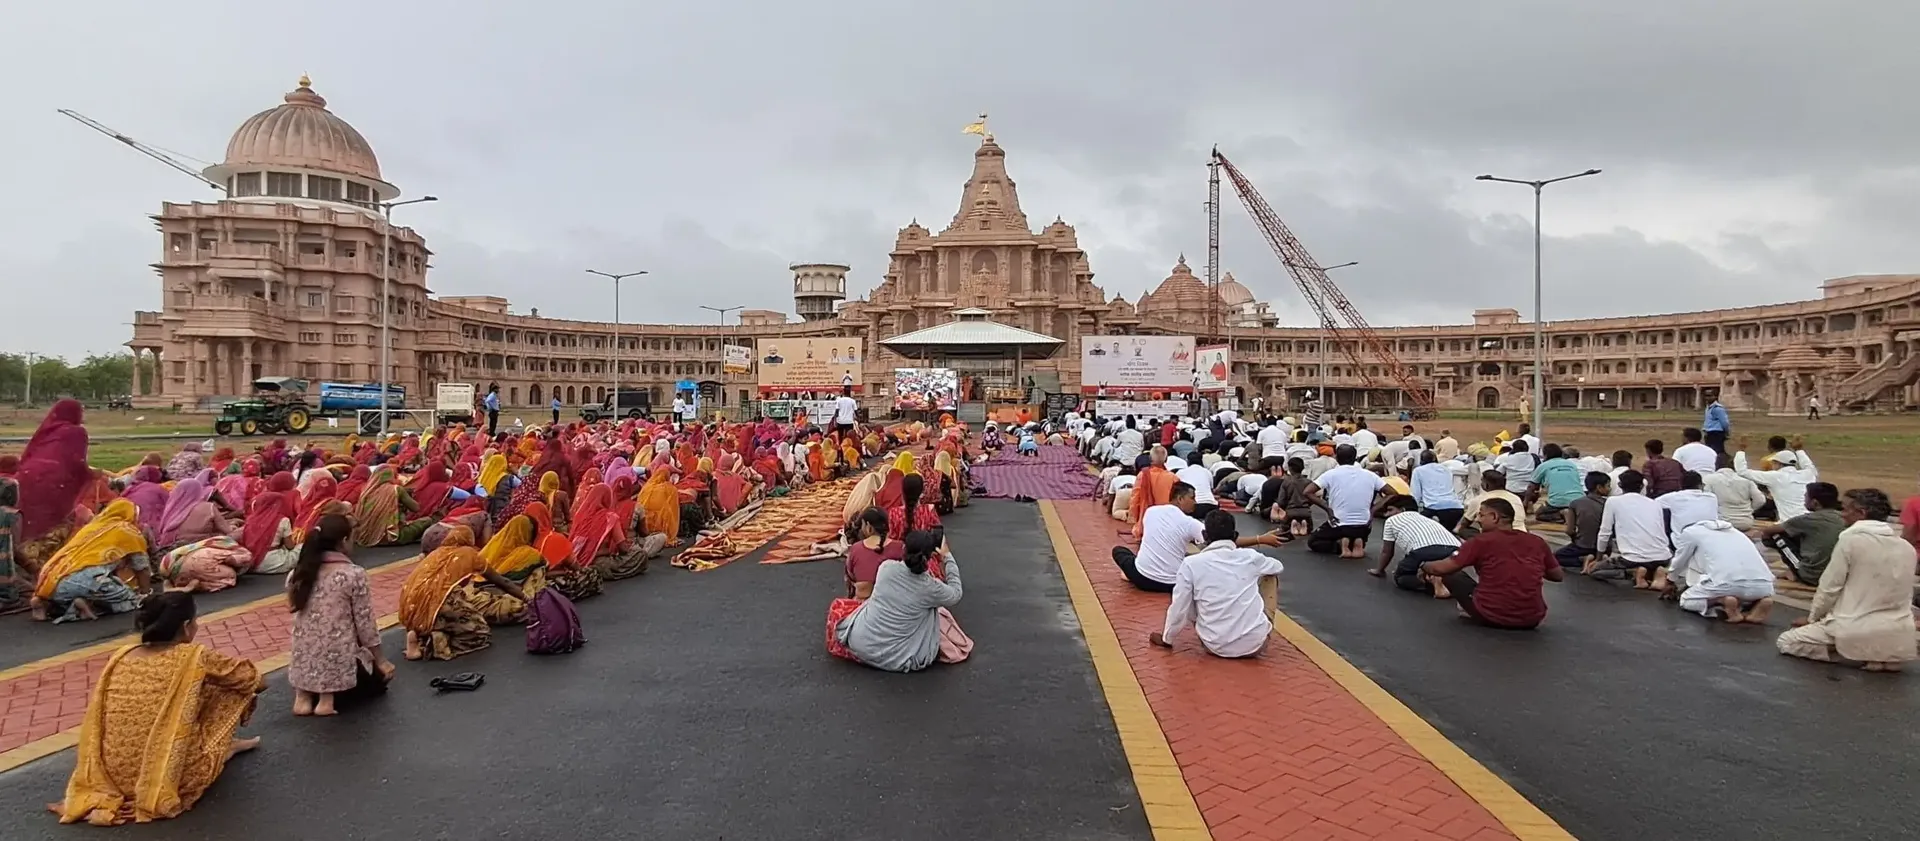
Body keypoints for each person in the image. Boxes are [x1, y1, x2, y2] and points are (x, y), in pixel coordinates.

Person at [52, 592, 264, 826]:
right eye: (194, 621)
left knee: (191, 688)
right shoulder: (194, 655)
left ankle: (224, 747)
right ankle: (219, 749)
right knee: (229, 687)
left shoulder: (121, 655)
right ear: (186, 627)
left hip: (109, 779)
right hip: (164, 778)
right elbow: (255, 680)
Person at [1776, 489, 1916, 671]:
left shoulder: (1850, 540)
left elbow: (1829, 588)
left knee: (1787, 641)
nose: (1842, 514)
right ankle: (1880, 656)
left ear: (1861, 513)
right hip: (1899, 630)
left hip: (1854, 624)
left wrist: (1814, 618)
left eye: (1845, 509)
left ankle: (1854, 655)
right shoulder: (1906, 548)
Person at [286, 514, 394, 716]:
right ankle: (327, 702)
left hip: (303, 665)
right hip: (340, 665)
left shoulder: (298, 573)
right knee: (377, 683)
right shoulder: (353, 574)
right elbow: (365, 624)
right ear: (344, 541)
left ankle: (303, 699)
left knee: (312, 643)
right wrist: (381, 660)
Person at [1151, 509, 1286, 658]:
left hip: (1213, 645)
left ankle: (1211, 625)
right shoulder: (1250, 557)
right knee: (1270, 575)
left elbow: (1179, 606)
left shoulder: (1191, 563)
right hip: (1255, 645)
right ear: (1235, 536)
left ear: (1205, 536)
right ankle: (1255, 623)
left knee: (1188, 593)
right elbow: (1278, 566)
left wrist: (1167, 638)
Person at [832, 530, 971, 672]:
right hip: (898, 658)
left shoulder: (886, 568)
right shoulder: (931, 587)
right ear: (931, 556)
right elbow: (956, 593)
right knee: (934, 610)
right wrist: (947, 556)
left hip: (861, 645)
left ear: (904, 548)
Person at [1418, 498, 1564, 629]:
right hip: (1532, 618)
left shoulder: (1480, 541)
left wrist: (1423, 564)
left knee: (1453, 575)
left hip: (1491, 615)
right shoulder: (1536, 541)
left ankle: (1472, 610)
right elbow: (1557, 576)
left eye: (1481, 515)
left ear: (1494, 517)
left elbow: (1442, 568)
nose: (1477, 519)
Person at [398, 525, 527, 661]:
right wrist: (525, 598)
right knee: (480, 633)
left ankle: (418, 636)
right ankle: (432, 644)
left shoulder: (436, 553)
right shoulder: (469, 554)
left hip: (409, 606)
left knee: (450, 610)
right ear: (469, 540)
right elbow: (502, 582)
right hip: (439, 600)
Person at [30, 499, 152, 623]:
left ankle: (45, 604)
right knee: (131, 599)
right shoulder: (128, 531)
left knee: (77, 592)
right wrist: (146, 594)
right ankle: (87, 607)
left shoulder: (92, 527)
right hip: (84, 580)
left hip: (48, 583)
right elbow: (142, 568)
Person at [1664, 519, 1776, 624]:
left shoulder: (1690, 532)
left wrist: (1670, 579)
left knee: (1686, 600)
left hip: (1726, 582)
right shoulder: (1736, 533)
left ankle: (1723, 601)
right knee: (1744, 593)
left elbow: (1680, 559)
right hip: (1764, 584)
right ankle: (1762, 601)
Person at [1753, 482, 1845, 586]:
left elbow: (1769, 531)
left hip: (1812, 576)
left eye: (1806, 496)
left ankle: (1796, 570)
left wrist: (1765, 538)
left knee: (1777, 535)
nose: (1804, 499)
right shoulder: (1844, 517)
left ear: (1815, 503)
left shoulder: (1808, 520)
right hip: (1835, 575)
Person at [1305, 444, 1386, 559]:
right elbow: (1392, 493)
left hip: (1339, 523)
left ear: (1337, 458)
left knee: (1314, 542)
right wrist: (1374, 509)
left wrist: (1327, 508)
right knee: (1356, 530)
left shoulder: (1330, 474)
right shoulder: (1370, 475)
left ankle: (1340, 545)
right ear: (1355, 458)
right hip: (1363, 525)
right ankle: (1357, 542)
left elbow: (1307, 492)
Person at [1370, 494, 1461, 595]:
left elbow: (1387, 551)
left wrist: (1379, 570)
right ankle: (1447, 582)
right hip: (1456, 549)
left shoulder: (1391, 521)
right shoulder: (1426, 518)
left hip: (1424, 550)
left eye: (1390, 510)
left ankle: (1432, 584)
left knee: (1401, 577)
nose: (1386, 515)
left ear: (1403, 510)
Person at [1597, 470, 1673, 587]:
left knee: (1595, 571)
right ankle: (1656, 572)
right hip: (1664, 556)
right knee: (1651, 561)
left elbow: (1604, 533)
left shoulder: (1613, 501)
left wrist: (1599, 558)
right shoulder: (1655, 503)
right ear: (1642, 486)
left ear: (1620, 485)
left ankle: (1634, 573)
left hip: (1632, 559)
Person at [1734, 435, 1817, 520]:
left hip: (1790, 523)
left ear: (1779, 463)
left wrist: (1741, 450)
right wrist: (1799, 450)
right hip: (1811, 519)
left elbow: (1742, 471)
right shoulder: (1808, 474)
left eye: (1774, 463)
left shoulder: (1775, 476)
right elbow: (1808, 465)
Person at [1557, 472, 1612, 570]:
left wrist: (1575, 539)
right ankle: (1600, 558)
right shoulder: (1609, 504)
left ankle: (1582, 560)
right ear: (1599, 487)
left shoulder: (1575, 503)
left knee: (1556, 558)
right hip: (1605, 548)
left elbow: (1569, 530)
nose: (1610, 488)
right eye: (1608, 486)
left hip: (1582, 546)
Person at [1702, 452, 1767, 531]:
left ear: (1716, 465)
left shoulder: (1709, 479)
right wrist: (1749, 509)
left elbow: (1706, 501)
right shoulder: (1746, 479)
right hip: (1745, 522)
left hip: (1721, 521)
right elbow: (1761, 500)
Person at [1408, 450, 1465, 531]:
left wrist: (1412, 512)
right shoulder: (1446, 470)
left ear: (1421, 461)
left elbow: (1415, 494)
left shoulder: (1418, 470)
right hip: (1456, 508)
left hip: (1435, 509)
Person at [1530, 444, 1583, 522]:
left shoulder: (1543, 466)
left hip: (1557, 502)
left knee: (1539, 514)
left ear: (1546, 455)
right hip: (1579, 500)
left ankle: (1560, 514)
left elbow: (1532, 486)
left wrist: (1526, 502)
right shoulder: (1571, 465)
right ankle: (1570, 515)